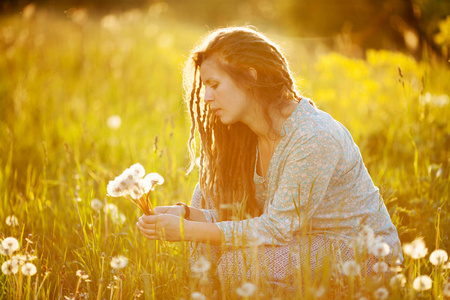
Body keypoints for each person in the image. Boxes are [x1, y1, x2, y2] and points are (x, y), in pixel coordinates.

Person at [136, 26, 403, 292]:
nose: (206, 97)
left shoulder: (313, 135)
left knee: (237, 266)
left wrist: (185, 230)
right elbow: (249, 215)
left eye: (214, 85)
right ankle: (207, 290)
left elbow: (275, 227)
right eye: (205, 87)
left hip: (361, 254)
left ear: (250, 77)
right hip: (301, 239)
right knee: (202, 197)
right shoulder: (251, 135)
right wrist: (187, 215)